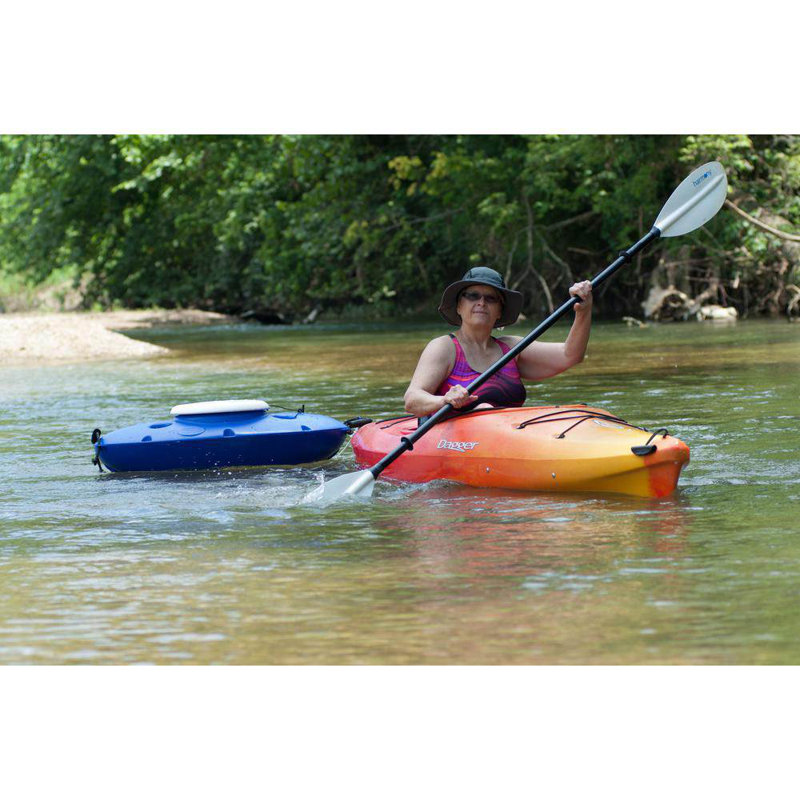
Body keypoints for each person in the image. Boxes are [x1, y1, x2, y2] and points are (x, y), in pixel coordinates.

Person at [404, 266, 593, 416]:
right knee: (483, 408)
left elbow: (571, 355)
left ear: (500, 311)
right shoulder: (444, 347)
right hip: (455, 441)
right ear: (459, 306)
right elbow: (412, 400)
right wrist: (444, 400)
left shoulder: (511, 348)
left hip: (508, 438)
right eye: (472, 295)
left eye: (491, 298)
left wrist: (583, 310)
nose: (481, 302)